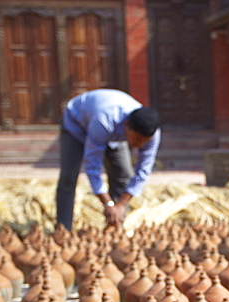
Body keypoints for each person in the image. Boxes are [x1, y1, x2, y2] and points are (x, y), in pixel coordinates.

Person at [56, 89, 161, 230]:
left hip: (113, 133)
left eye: (144, 141)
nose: (140, 144)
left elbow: (143, 170)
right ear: (127, 125)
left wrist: (121, 204)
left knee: (123, 174)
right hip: (76, 124)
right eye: (136, 139)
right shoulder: (104, 121)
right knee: (69, 176)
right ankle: (63, 228)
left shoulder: (153, 133)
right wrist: (108, 203)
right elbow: (93, 166)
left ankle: (116, 224)